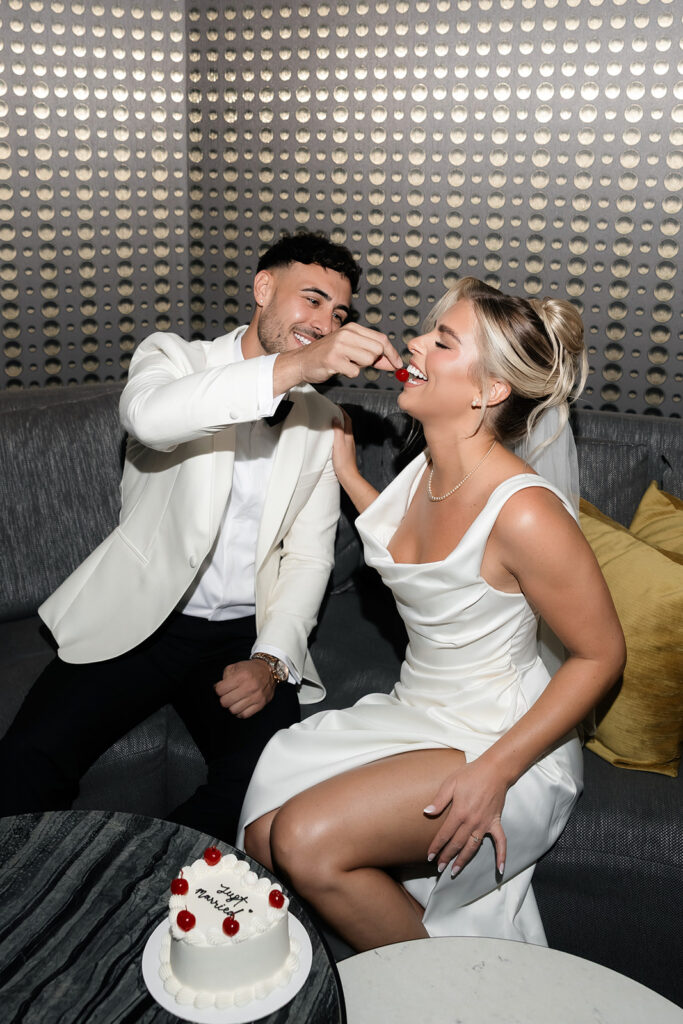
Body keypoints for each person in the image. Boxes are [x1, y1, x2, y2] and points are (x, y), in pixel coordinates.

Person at [238, 276, 626, 951]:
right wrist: (351, 475)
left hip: (500, 740)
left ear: (489, 391)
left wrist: (494, 772)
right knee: (262, 836)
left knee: (302, 841)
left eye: (442, 341)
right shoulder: (426, 469)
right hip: (419, 710)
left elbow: (602, 655)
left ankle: (447, 991)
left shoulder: (526, 512)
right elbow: (417, 559)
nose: (414, 342)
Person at [0, 231, 403, 841]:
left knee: (264, 788)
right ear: (263, 288)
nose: (325, 324)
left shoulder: (322, 420)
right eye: (313, 299)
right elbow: (149, 419)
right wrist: (296, 368)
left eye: (339, 314)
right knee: (26, 765)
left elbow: (309, 555)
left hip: (241, 636)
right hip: (142, 616)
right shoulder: (172, 359)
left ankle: (149, 879)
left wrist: (272, 659)